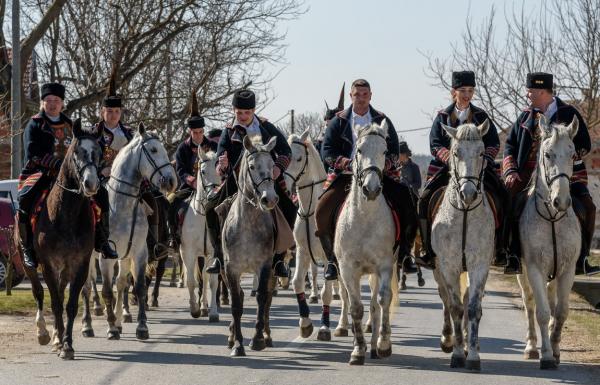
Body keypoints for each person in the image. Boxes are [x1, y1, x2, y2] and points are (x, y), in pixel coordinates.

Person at [315, 78, 417, 280]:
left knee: (407, 199)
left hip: (378, 174)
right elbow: (327, 151)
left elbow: (394, 150)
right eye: (356, 94)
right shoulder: (338, 121)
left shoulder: (382, 119)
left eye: (364, 94)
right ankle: (332, 261)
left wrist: (384, 165)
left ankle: (405, 254)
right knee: (321, 209)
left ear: (370, 96)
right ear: (351, 96)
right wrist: (346, 163)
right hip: (346, 175)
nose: (361, 98)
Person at [503, 72, 599, 275]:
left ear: (541, 91)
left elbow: (584, 143)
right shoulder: (525, 116)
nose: (528, 96)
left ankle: (582, 259)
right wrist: (511, 170)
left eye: (530, 92)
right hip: (529, 175)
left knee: (588, 208)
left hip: (564, 174)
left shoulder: (569, 113)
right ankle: (511, 255)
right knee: (510, 202)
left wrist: (568, 159)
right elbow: (510, 145)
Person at [416, 71, 508, 271]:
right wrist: (448, 158)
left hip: (478, 167)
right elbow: (434, 143)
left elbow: (493, 142)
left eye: (470, 91)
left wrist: (486, 159)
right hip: (447, 168)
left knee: (503, 195)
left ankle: (500, 249)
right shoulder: (442, 116)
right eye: (463, 91)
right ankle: (427, 249)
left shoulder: (482, 116)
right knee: (424, 199)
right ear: (453, 92)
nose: (467, 95)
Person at [204, 89, 297, 277]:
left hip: (266, 179)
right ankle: (219, 256)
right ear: (234, 111)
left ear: (254, 110)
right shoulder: (229, 130)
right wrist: (222, 165)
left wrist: (278, 167)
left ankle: (279, 257)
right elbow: (221, 157)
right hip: (238, 181)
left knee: (290, 209)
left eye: (247, 112)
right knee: (210, 208)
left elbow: (286, 151)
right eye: (239, 113)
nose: (243, 116)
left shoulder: (266, 126)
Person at [17, 83, 73, 268]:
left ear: (62, 103)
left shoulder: (71, 125)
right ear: (42, 103)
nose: (52, 104)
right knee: (25, 200)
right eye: (48, 100)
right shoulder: (35, 124)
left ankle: (100, 239)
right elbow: (33, 152)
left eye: (56, 101)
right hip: (39, 173)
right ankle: (27, 248)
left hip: (69, 175)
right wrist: (56, 164)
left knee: (97, 195)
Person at [168, 92, 218, 250]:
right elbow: (181, 169)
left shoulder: (212, 145)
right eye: (195, 133)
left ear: (203, 130)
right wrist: (193, 181)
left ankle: (222, 239)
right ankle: (174, 236)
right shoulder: (182, 148)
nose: (198, 136)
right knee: (172, 204)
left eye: (200, 132)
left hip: (211, 187)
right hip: (188, 187)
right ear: (190, 132)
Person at [92, 82, 133, 260]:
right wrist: (102, 170)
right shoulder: (94, 132)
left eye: (117, 111)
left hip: (128, 180)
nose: (113, 115)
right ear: (103, 112)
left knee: (154, 199)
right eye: (110, 111)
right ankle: (101, 239)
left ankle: (155, 241)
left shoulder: (130, 134)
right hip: (101, 178)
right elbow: (88, 157)